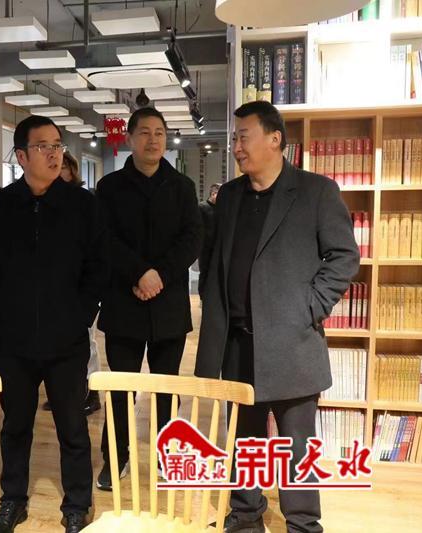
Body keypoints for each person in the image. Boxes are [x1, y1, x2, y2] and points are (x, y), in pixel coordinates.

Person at [195, 101, 359, 533]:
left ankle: (302, 523)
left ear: (275, 139)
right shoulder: (230, 196)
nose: (236, 146)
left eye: (243, 136)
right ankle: (245, 515)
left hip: (291, 342)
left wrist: (310, 306)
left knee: (296, 445)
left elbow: (344, 257)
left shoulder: (315, 191)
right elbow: (213, 260)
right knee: (243, 438)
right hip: (237, 342)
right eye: (234, 138)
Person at [0, 115, 108, 533]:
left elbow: (97, 267)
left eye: (57, 145)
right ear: (21, 156)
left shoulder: (81, 204)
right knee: (15, 425)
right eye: (43, 146)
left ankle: (77, 503)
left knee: (72, 425)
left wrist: (81, 315)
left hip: (66, 338)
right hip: (12, 339)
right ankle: (12, 499)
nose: (53, 153)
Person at [94, 107, 202, 491]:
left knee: (166, 388)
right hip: (124, 302)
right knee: (120, 388)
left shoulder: (182, 187)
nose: (152, 139)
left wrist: (160, 275)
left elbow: (192, 238)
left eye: (159, 132)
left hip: (168, 304)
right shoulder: (109, 187)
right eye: (144, 132)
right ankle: (116, 457)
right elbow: (104, 239)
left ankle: (166, 454)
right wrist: (139, 273)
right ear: (129, 138)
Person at [41, 151, 101, 415]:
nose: (59, 168)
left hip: (81, 290)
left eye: (65, 165)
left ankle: (91, 392)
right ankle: (60, 392)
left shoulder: (85, 201)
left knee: (87, 341)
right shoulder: (42, 200)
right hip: (53, 292)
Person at [198, 182, 221, 298]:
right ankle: (203, 297)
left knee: (217, 273)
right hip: (205, 247)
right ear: (213, 194)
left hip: (218, 246)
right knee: (205, 272)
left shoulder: (222, 208)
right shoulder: (201, 207)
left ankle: (214, 297)